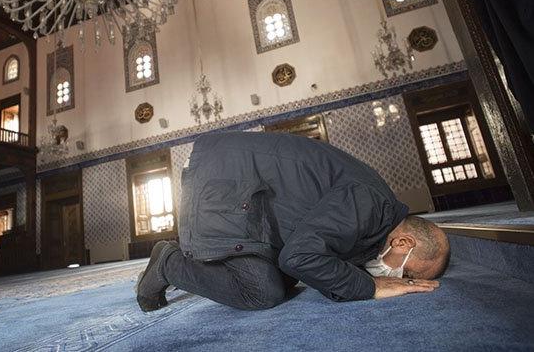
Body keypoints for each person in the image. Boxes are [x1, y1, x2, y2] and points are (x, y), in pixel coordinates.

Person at [135, 131, 450, 312]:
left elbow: (314, 254)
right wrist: (369, 287)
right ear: (403, 242)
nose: (400, 279)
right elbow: (299, 256)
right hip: (225, 183)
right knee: (262, 292)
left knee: (284, 280)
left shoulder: (377, 212)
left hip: (246, 192)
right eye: (408, 273)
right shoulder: (367, 204)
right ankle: (168, 264)